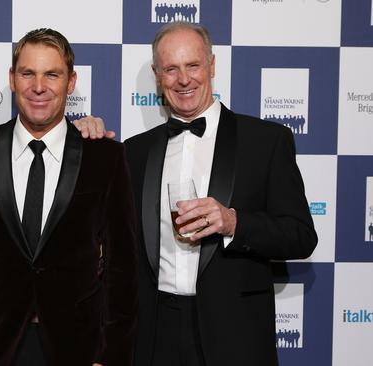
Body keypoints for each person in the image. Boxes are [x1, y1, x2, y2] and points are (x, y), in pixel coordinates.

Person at [122, 22, 318, 365]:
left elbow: (301, 237)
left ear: (212, 65)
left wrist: (233, 223)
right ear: (157, 75)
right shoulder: (135, 151)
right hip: (155, 335)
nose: (184, 79)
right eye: (171, 69)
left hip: (235, 335)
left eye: (193, 65)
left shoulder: (266, 141)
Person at [0, 28, 138, 366]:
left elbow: (121, 268)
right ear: (12, 79)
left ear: (71, 81)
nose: (39, 86)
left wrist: (111, 356)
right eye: (28, 73)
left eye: (52, 74)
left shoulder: (105, 158)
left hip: (79, 346)